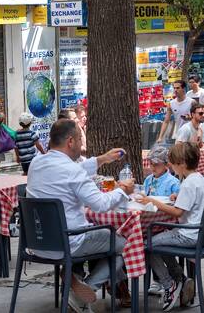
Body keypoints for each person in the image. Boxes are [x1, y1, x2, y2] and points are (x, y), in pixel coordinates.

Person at [27, 119, 133, 310]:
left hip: (39, 243)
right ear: (70, 142)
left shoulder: (36, 163)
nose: (81, 144)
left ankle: (76, 282)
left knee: (105, 238)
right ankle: (84, 291)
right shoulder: (72, 171)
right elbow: (100, 204)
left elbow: (68, 172)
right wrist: (123, 191)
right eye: (79, 139)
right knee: (127, 245)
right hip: (69, 242)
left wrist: (102, 159)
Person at [137, 143, 204, 310]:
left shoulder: (188, 183)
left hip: (187, 234)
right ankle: (179, 277)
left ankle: (169, 285)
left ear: (181, 163)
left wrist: (154, 202)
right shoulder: (199, 179)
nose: (172, 167)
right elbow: (187, 203)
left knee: (146, 244)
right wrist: (177, 195)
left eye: (172, 163)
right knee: (159, 241)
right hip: (198, 232)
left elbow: (177, 213)